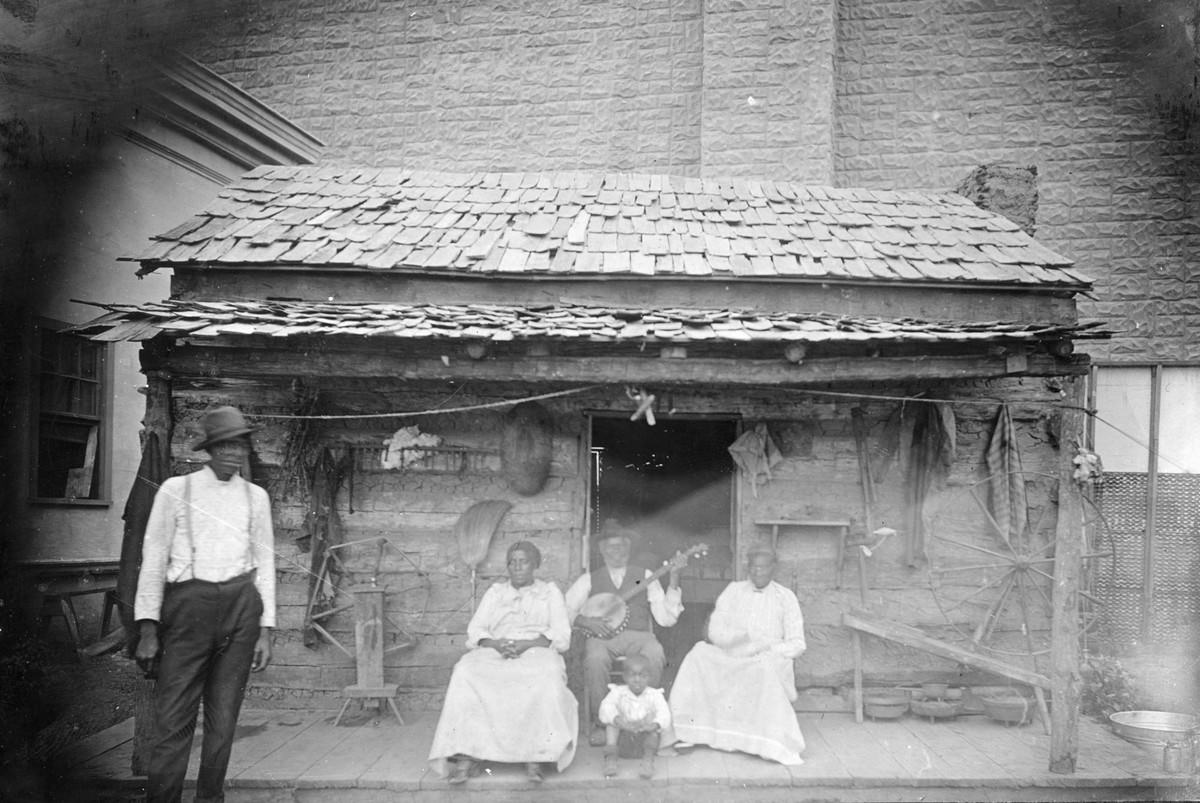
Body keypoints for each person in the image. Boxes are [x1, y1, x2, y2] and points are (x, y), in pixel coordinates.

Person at [133, 406, 276, 803]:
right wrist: (147, 626)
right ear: (209, 449)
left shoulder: (256, 498)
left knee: (223, 720)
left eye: (240, 444)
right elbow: (154, 557)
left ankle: (210, 798)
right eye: (224, 445)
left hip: (241, 609)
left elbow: (264, 562)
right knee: (174, 717)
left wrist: (266, 629)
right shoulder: (177, 490)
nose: (233, 452)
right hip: (189, 609)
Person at [428, 541, 578, 784]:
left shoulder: (549, 592)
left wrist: (526, 645)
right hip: (496, 648)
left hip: (536, 649)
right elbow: (476, 629)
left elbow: (561, 635)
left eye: (524, 561)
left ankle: (536, 754)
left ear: (535, 565)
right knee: (465, 671)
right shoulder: (496, 592)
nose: (517, 567)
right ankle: (468, 752)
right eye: (512, 562)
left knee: (547, 673)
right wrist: (496, 644)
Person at [667, 545, 807, 765]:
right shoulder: (734, 590)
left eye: (763, 567)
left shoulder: (785, 597)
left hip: (765, 658)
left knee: (762, 668)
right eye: (754, 567)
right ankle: (691, 731)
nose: (758, 572)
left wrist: (766, 647)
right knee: (698, 655)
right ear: (748, 568)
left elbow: (798, 643)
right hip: (732, 653)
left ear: (774, 569)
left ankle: (764, 742)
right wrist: (738, 638)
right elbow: (714, 631)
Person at [565, 521, 683, 747]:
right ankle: (603, 723)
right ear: (601, 550)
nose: (616, 552)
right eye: (611, 547)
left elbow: (665, 619)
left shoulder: (645, 575)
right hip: (603, 638)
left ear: (629, 550)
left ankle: (647, 718)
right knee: (595, 658)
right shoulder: (590, 579)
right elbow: (565, 610)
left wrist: (674, 579)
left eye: (621, 547)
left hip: (639, 636)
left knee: (656, 652)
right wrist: (585, 620)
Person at [597, 652, 671, 779]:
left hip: (644, 742)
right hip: (624, 740)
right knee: (611, 725)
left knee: (654, 728)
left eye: (642, 676)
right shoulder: (618, 692)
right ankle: (611, 760)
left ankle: (647, 763)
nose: (637, 680)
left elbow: (664, 713)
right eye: (632, 675)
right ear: (624, 677)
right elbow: (605, 707)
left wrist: (653, 725)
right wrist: (618, 720)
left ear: (649, 678)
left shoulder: (654, 695)